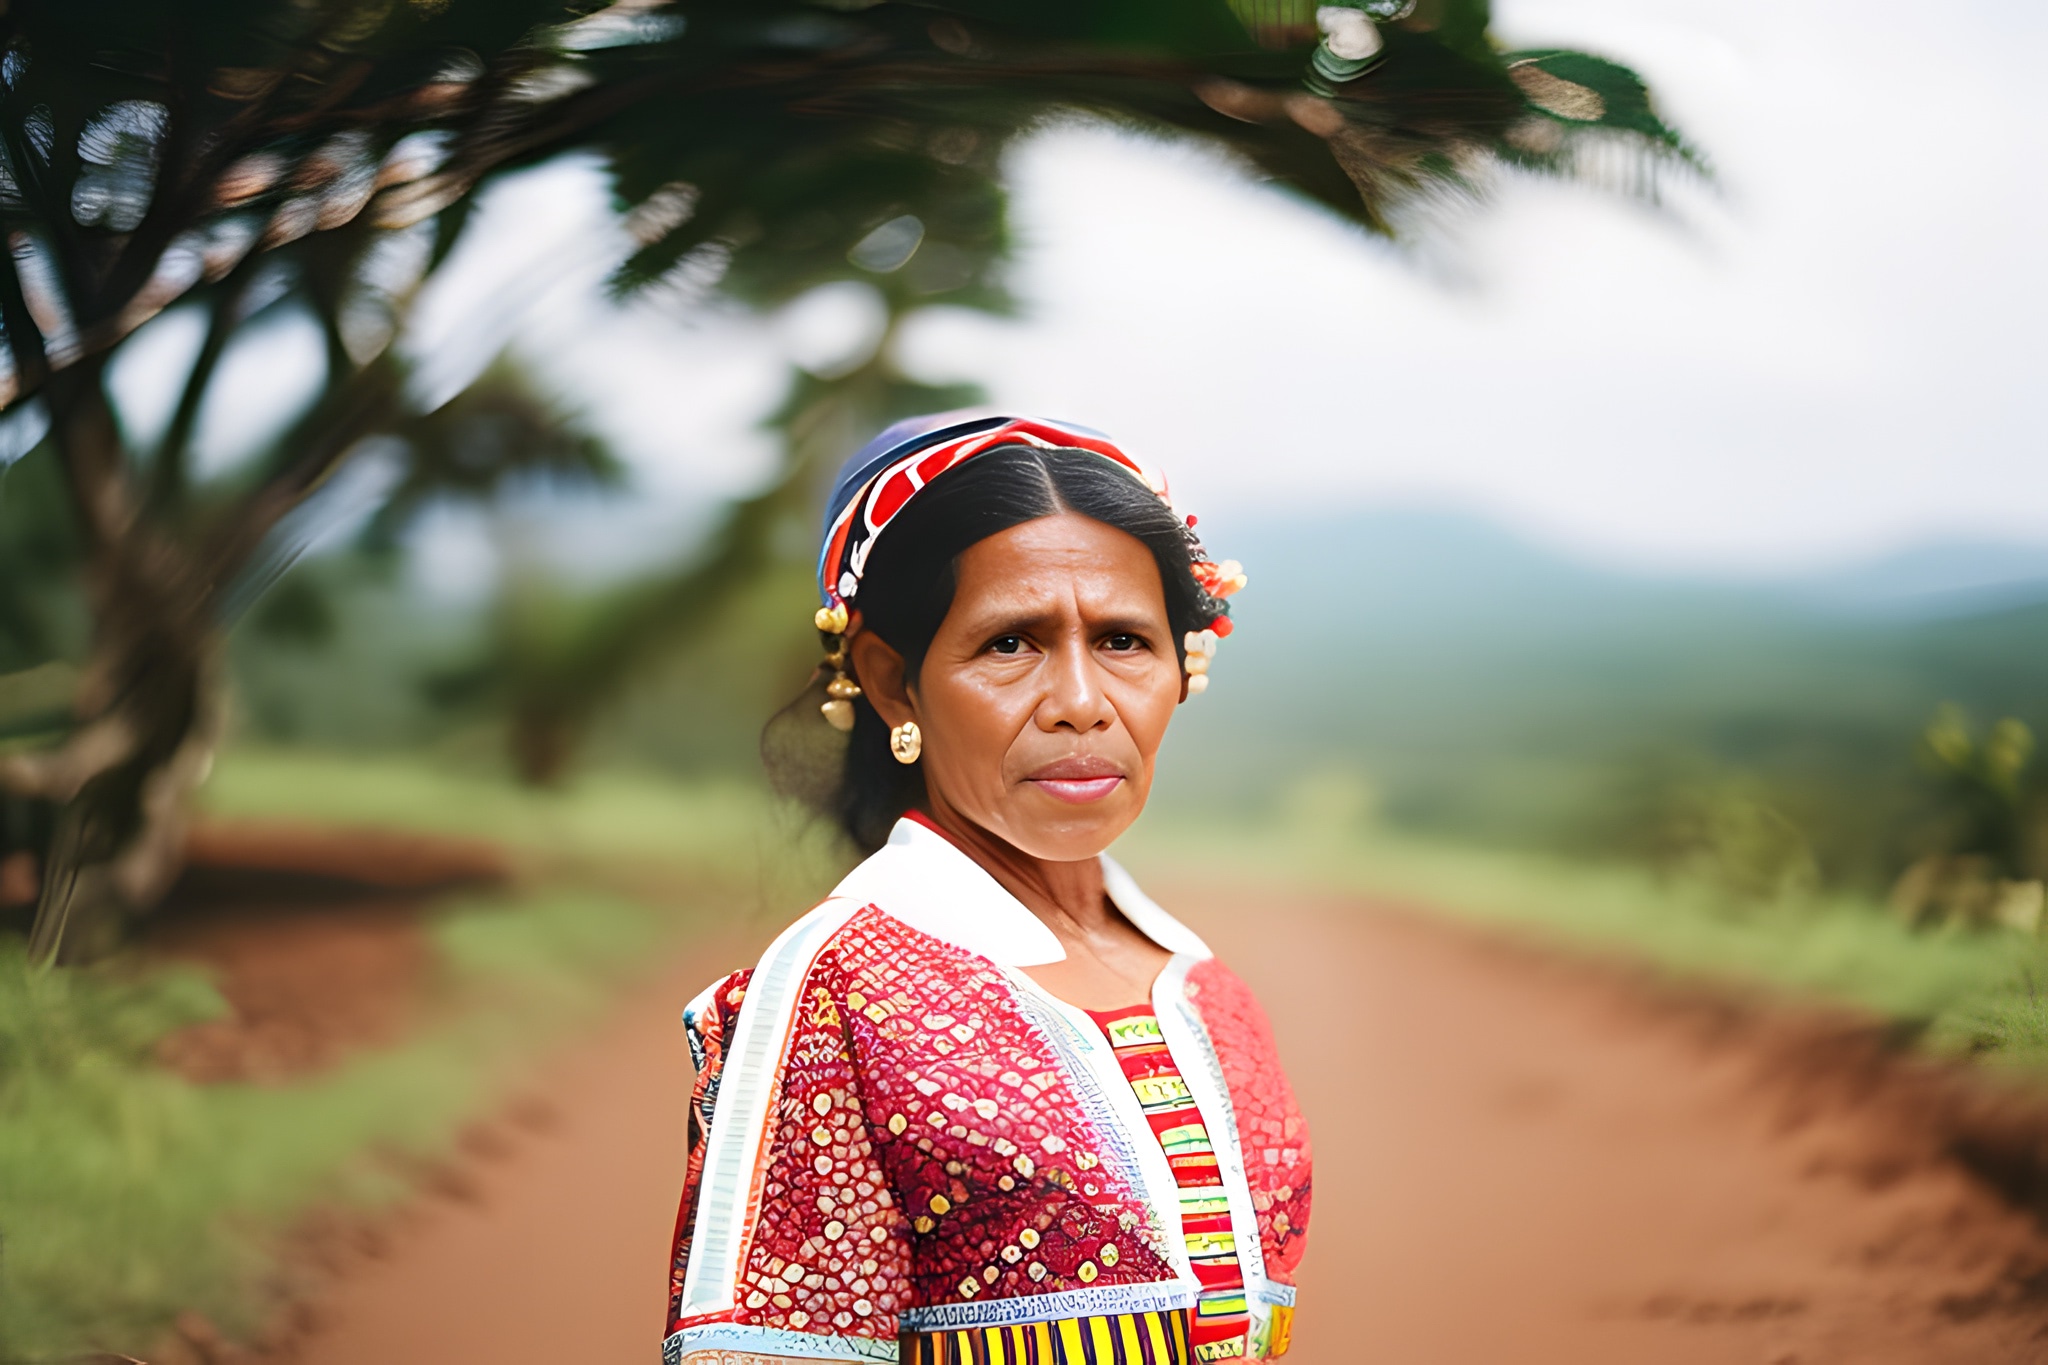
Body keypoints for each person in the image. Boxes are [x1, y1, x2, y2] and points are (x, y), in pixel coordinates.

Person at [663, 415, 1309, 1365]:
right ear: (895, 682)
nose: (1082, 701)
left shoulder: (1207, 991)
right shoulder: (836, 990)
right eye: (1012, 642)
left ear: (1184, 666)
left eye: (1126, 640)